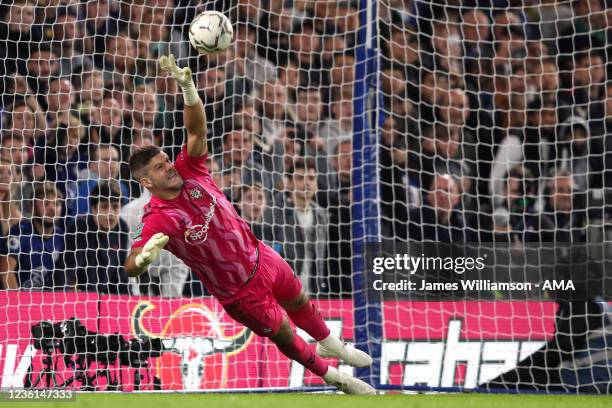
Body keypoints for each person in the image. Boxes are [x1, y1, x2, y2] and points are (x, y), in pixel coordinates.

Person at [124, 54, 375, 395]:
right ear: (146, 183)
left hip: (261, 256)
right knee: (285, 332)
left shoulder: (190, 168)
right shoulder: (157, 217)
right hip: (240, 293)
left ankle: (333, 344)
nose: (168, 166)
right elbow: (131, 265)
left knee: (299, 298)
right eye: (158, 168)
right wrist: (144, 258)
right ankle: (336, 377)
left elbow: (196, 129)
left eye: (165, 160)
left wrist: (188, 89)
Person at [60, 180, 130, 294]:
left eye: (116, 207)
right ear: (94, 209)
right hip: (79, 298)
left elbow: (120, 276)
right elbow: (66, 273)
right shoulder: (80, 227)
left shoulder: (121, 229)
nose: (110, 213)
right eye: (104, 206)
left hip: (105, 300)